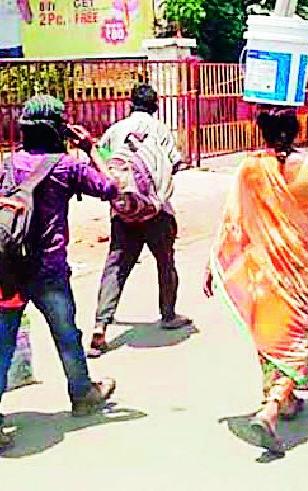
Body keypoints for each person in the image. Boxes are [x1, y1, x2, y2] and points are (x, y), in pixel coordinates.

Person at [203, 107, 308, 452]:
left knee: (270, 332)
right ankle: (272, 406)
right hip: (297, 268)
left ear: (263, 131)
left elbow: (232, 221)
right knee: (296, 336)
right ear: (296, 129)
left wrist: (215, 260)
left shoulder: (250, 168)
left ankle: (282, 398)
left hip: (260, 268)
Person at [0, 95, 118, 450]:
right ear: (58, 129)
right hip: (49, 270)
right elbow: (111, 187)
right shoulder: (68, 167)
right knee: (66, 335)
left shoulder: (8, 164)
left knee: (2, 344)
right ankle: (82, 393)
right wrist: (92, 148)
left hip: (9, 270)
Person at [88, 84, 190, 358]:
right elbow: (175, 164)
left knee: (116, 266)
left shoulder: (115, 130)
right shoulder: (160, 130)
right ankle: (168, 314)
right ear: (155, 106)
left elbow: (101, 162)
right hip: (157, 211)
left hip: (123, 212)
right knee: (165, 262)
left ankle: (100, 326)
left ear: (130, 104)